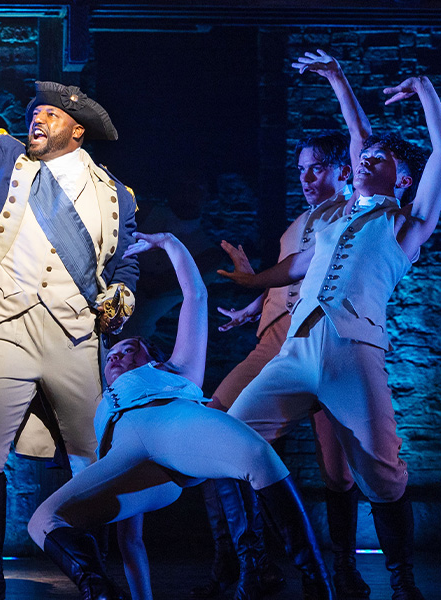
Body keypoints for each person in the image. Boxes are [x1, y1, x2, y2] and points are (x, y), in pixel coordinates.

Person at [220, 51, 441, 600]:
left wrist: (423, 88)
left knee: (384, 476)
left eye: (379, 156)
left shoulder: (407, 224)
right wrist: (336, 77)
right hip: (297, 352)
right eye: (364, 155)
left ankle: (402, 580)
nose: (367, 156)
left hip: (354, 352)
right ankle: (303, 565)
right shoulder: (336, 218)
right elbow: (358, 139)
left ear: (403, 178)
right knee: (233, 439)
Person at [0, 38, 142, 600]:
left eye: (50, 114)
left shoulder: (116, 196)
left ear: (77, 129)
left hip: (73, 333)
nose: (37, 119)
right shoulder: (7, 161)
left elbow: (125, 261)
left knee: (90, 459)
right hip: (9, 327)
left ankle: (95, 576)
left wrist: (121, 294)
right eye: (34, 114)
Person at [27, 232, 334, 600]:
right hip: (126, 452)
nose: (115, 357)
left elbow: (195, 296)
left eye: (128, 350)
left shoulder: (178, 370)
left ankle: (314, 584)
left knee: (257, 455)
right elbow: (131, 539)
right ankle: (101, 593)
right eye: (112, 355)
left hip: (173, 424)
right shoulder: (101, 400)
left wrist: (170, 243)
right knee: (42, 521)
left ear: (152, 358)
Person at [200, 131, 369, 600]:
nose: (306, 177)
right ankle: (241, 561)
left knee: (339, 471)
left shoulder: (356, 211)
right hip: (273, 341)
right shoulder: (296, 225)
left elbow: (362, 143)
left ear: (343, 170)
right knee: (216, 426)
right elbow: (288, 280)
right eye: (300, 169)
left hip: (327, 342)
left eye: (316, 167)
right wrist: (250, 308)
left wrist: (336, 79)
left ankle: (343, 568)